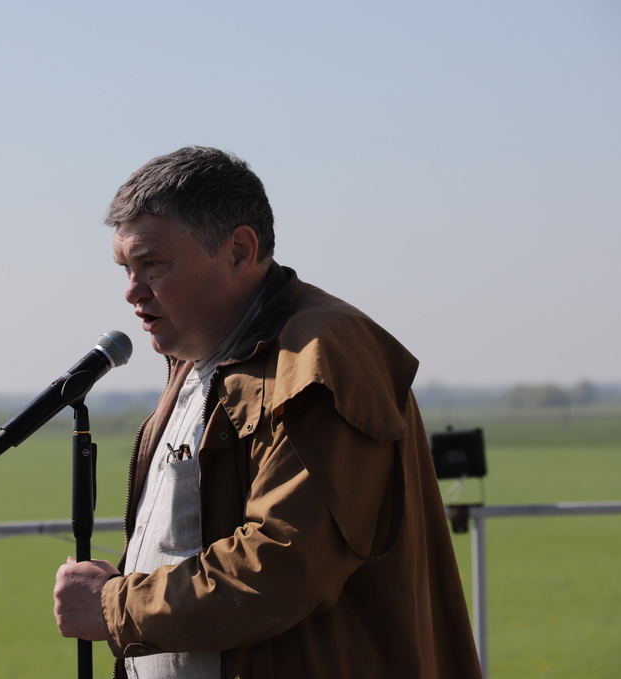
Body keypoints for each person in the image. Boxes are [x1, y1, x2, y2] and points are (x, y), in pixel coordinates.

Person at [53, 146, 483, 678]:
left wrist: (116, 606)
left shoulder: (320, 356)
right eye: (126, 268)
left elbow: (284, 562)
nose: (132, 292)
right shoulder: (201, 357)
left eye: (153, 264)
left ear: (239, 251)